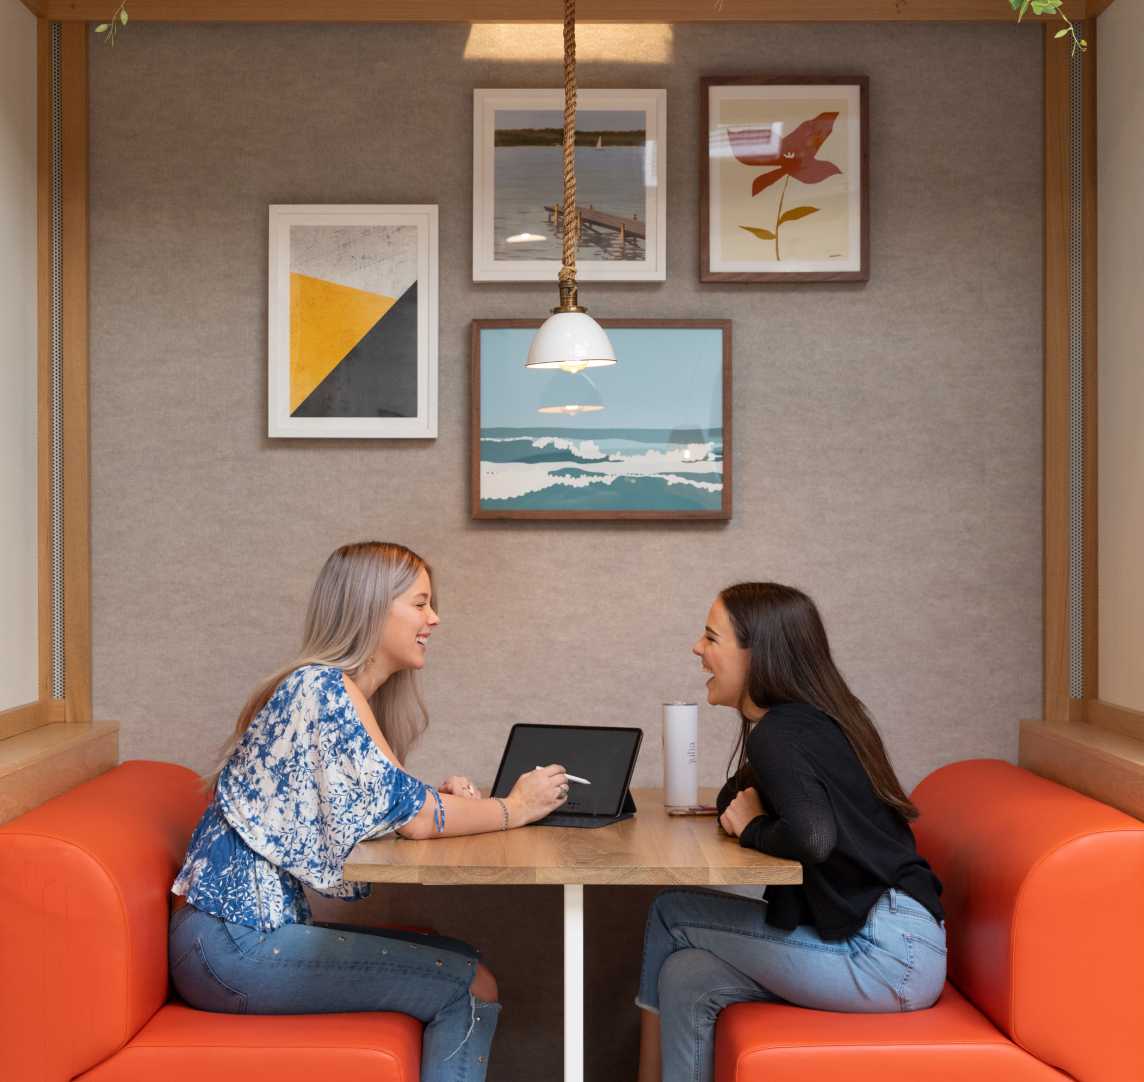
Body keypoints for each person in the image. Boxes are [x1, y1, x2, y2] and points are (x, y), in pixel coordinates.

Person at [169, 541, 569, 1082]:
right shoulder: (322, 688)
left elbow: (382, 809)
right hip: (234, 947)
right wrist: (515, 808)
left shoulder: (330, 688)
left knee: (455, 953)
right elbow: (418, 820)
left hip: (228, 941)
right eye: (420, 603)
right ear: (372, 607)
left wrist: (440, 795)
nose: (435, 618)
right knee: (471, 984)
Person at [636, 582, 946, 1082]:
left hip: (886, 954)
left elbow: (812, 839)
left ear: (756, 655)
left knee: (671, 912)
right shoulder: (805, 723)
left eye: (711, 638)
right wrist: (746, 812)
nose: (698, 648)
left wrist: (754, 827)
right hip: (904, 945)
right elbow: (729, 801)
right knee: (687, 976)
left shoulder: (782, 733)